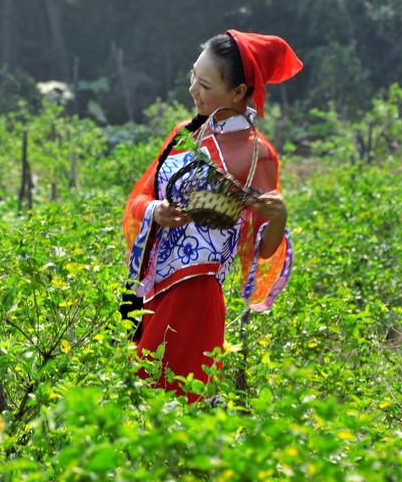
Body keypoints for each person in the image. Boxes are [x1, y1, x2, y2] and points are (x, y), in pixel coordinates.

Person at [120, 30, 301, 402]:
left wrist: (279, 217)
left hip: (197, 295)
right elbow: (140, 197)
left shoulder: (257, 156)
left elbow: (263, 248)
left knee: (170, 403)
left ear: (238, 92)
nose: (192, 90)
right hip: (151, 288)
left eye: (204, 84)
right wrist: (156, 211)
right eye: (192, 77)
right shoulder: (184, 134)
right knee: (134, 399)